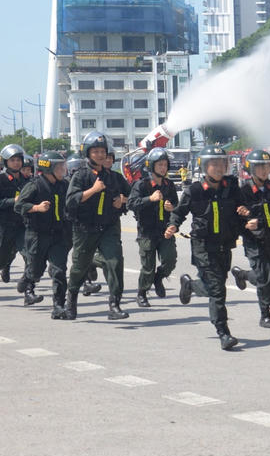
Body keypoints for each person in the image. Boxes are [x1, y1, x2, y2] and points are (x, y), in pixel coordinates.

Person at [168, 146, 254, 350]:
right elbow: (179, 212)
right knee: (217, 290)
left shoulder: (232, 188)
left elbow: (243, 210)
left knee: (215, 285)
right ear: (205, 167)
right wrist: (173, 225)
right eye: (214, 164)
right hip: (203, 247)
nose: (218, 168)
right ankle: (223, 332)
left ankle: (190, 285)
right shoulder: (194, 191)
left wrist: (246, 214)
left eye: (222, 164)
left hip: (224, 245)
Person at [64, 132, 130, 321]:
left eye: (103, 151)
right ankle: (71, 299)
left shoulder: (114, 177)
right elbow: (71, 201)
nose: (100, 155)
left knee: (114, 262)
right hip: (85, 228)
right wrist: (93, 190)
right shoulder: (81, 175)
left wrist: (122, 200)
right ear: (88, 153)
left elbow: (133, 196)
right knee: (80, 266)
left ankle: (114, 304)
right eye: (96, 151)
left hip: (109, 227)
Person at [231, 149, 270, 329]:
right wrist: (247, 218)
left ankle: (243, 275)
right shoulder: (243, 192)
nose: (264, 170)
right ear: (251, 169)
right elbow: (239, 219)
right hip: (253, 240)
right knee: (263, 275)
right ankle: (265, 314)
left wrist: (258, 219)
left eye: (266, 166)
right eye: (260, 166)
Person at [15, 152, 69, 316]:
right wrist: (36, 208)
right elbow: (19, 206)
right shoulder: (34, 185)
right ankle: (27, 277)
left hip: (58, 235)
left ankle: (58, 306)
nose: (63, 170)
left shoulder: (64, 185)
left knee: (59, 270)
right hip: (37, 235)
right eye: (59, 167)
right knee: (36, 270)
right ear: (49, 169)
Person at [126, 148, 178, 307]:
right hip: (147, 232)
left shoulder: (169, 185)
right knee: (148, 266)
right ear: (151, 165)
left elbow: (177, 206)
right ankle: (142, 293)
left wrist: (172, 208)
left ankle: (158, 278)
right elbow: (131, 204)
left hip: (164, 231)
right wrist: (150, 198)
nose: (163, 168)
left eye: (165, 165)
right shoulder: (142, 184)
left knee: (170, 260)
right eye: (159, 165)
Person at [63, 153, 102, 297]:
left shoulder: (84, 181)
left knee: (81, 254)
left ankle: (86, 283)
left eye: (77, 167)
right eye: (72, 167)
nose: (75, 170)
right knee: (67, 256)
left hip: (80, 223)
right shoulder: (65, 183)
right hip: (64, 224)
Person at [0, 144, 29, 287]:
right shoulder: (1, 180)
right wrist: (14, 201)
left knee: (30, 255)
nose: (16, 163)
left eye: (18, 160)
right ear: (6, 162)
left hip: (22, 225)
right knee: (2, 257)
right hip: (4, 227)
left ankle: (28, 288)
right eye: (12, 160)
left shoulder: (27, 181)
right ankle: (5, 265)